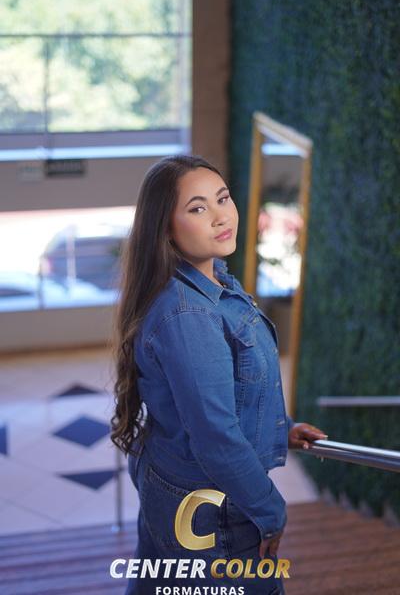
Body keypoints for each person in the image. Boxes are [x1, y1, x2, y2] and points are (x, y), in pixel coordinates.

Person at [111, 154, 328, 594]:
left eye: (223, 198)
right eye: (197, 208)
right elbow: (215, 435)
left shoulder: (214, 282)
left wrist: (279, 427)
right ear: (165, 228)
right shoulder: (188, 315)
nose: (220, 216)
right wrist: (270, 509)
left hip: (171, 479)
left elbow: (228, 390)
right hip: (208, 508)